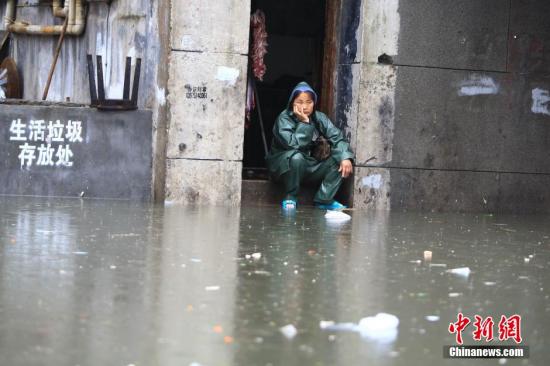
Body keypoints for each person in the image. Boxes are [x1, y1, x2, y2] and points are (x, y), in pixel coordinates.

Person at [266, 82, 354, 210]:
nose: (304, 106)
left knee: (339, 159)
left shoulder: (319, 117)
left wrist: (345, 157)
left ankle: (324, 199)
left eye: (309, 102)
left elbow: (337, 138)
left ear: (314, 103)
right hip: (285, 167)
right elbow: (293, 145)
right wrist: (305, 123)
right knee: (296, 157)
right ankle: (291, 196)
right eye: (300, 102)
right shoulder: (284, 118)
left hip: (309, 166)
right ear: (292, 103)